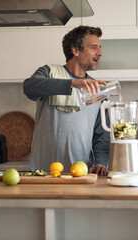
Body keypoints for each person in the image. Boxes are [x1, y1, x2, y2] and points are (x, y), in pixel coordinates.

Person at [23, 25, 110, 176]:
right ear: (75, 50)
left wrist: (101, 162)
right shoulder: (49, 72)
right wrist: (71, 83)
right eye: (94, 47)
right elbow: (29, 87)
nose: (100, 53)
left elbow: (102, 135)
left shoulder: (97, 89)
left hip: (81, 172)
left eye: (100, 48)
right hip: (44, 172)